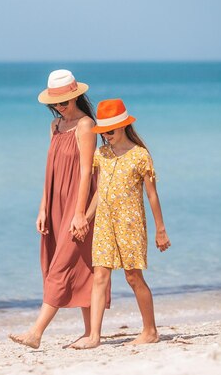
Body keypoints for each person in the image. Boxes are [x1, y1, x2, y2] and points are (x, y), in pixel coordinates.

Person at [9, 69, 110, 349]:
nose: (59, 107)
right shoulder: (54, 127)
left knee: (62, 265)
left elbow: (86, 171)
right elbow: (50, 170)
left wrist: (80, 213)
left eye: (64, 102)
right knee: (80, 266)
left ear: (76, 97)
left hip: (77, 203)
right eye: (55, 103)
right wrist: (42, 208)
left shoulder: (85, 125)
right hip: (55, 204)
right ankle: (91, 333)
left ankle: (36, 332)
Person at [70, 99, 171, 350]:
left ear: (124, 126)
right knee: (100, 276)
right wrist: (85, 217)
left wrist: (161, 230)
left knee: (133, 277)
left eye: (111, 131)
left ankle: (150, 330)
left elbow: (152, 196)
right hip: (104, 224)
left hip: (131, 225)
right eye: (103, 131)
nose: (107, 135)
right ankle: (94, 336)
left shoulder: (140, 155)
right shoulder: (101, 154)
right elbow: (99, 192)